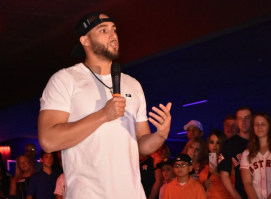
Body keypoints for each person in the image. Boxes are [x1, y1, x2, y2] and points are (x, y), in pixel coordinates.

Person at [38, 11, 172, 199]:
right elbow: (48, 140)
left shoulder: (133, 84)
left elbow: (141, 145)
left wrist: (160, 135)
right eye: (103, 30)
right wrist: (103, 115)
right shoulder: (65, 80)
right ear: (85, 41)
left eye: (114, 30)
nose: (113, 35)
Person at [218, 106, 253, 199]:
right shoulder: (229, 145)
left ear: (253, 120)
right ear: (237, 122)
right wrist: (237, 197)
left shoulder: (261, 141)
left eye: (247, 118)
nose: (243, 122)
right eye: (240, 118)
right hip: (242, 193)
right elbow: (224, 175)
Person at [241, 112, 271, 199]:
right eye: (256, 124)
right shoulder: (247, 153)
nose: (259, 127)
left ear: (269, 126)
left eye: (263, 124)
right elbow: (247, 183)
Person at [198, 130, 231, 199]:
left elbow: (234, 184)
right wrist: (204, 184)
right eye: (211, 142)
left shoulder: (228, 162)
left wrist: (217, 174)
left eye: (218, 143)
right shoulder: (203, 163)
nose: (214, 145)